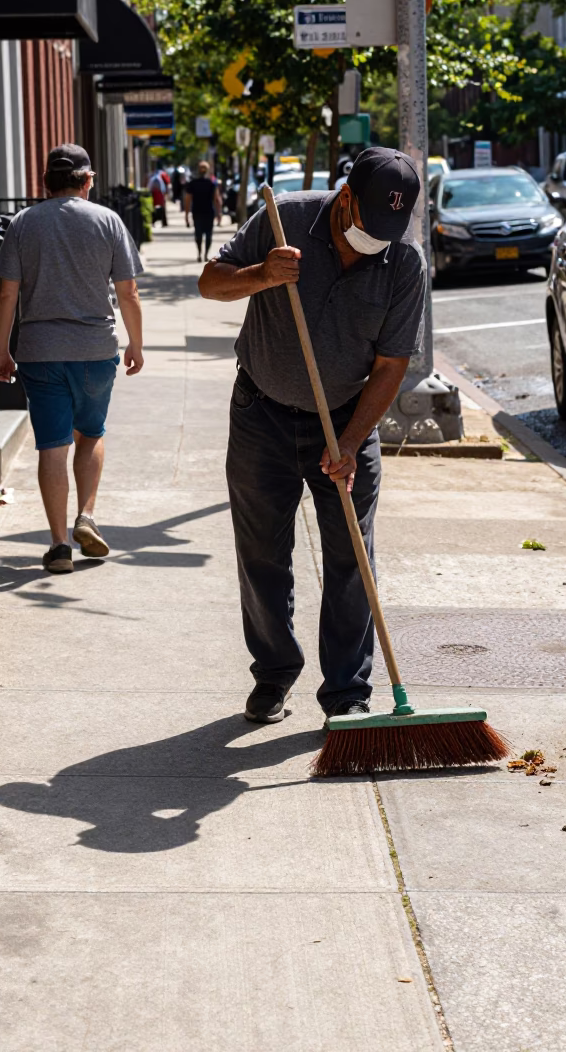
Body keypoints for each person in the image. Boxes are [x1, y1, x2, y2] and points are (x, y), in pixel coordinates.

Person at [198, 146, 426, 723]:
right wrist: (262, 274)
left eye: (389, 232)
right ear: (346, 198)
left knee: (352, 557)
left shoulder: (404, 263)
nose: (376, 242)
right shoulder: (287, 219)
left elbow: (392, 364)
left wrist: (350, 442)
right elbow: (210, 283)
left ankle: (347, 693)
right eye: (370, 228)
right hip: (262, 411)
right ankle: (273, 674)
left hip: (347, 417)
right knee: (263, 554)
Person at [0, 144, 145, 574]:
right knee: (91, 434)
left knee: (52, 445)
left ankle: (59, 545)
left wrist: (1, 350)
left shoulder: (24, 223)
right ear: (87, 181)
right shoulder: (108, 221)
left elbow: (7, 292)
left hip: (40, 352)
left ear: (46, 182)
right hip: (95, 350)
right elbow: (128, 292)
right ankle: (87, 516)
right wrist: (136, 343)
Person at [185, 161, 223, 261]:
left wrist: (186, 215)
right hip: (208, 212)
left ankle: (200, 253)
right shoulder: (211, 183)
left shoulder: (193, 183)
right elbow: (217, 200)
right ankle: (205, 254)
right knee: (208, 234)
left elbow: (187, 200)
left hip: (197, 212)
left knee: (198, 234)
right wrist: (219, 213)